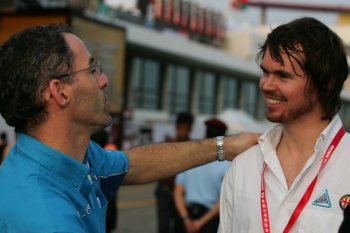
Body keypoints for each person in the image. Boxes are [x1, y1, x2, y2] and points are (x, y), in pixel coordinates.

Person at [0, 24, 259, 233]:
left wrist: (224, 146)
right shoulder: (47, 219)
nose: (104, 79)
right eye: (92, 69)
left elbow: (133, 164)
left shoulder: (70, 156)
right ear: (60, 92)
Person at [218, 17, 350, 233]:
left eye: (282, 75)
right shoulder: (244, 165)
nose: (266, 85)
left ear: (324, 86)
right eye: (265, 72)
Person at [174, 118, 230, 233]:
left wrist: (185, 218)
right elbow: (224, 199)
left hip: (186, 218)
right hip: (209, 221)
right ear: (224, 137)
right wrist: (200, 222)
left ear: (205, 133)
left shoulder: (190, 157)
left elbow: (178, 191)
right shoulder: (227, 164)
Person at [155, 112, 194, 233]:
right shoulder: (167, 145)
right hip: (165, 190)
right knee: (164, 227)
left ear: (190, 129)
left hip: (183, 193)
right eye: (181, 128)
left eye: (186, 129)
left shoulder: (192, 146)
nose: (183, 131)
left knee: (180, 227)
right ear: (176, 128)